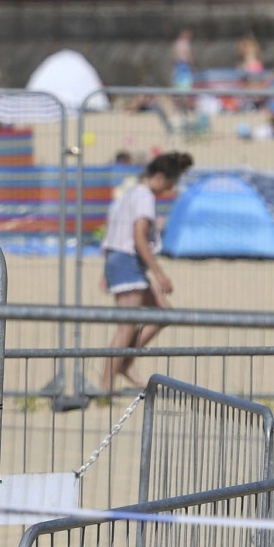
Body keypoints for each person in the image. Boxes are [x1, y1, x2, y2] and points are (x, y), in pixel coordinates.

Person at [102, 151, 193, 390]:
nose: (171, 188)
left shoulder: (130, 192)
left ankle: (124, 363)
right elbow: (139, 237)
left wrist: (105, 269)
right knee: (127, 325)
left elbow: (112, 229)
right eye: (172, 183)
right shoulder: (144, 196)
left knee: (163, 313)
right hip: (128, 261)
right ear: (161, 177)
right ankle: (106, 383)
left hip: (121, 260)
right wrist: (159, 273)